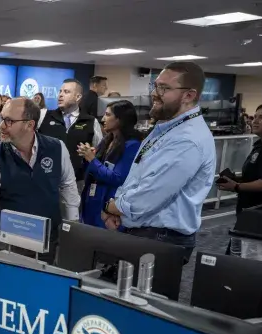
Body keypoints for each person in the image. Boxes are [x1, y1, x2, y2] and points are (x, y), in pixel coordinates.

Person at [101, 61, 216, 263]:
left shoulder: (187, 140)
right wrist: (118, 207)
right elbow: (137, 178)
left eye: (164, 88)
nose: (155, 93)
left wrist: (111, 207)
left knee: (142, 295)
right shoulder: (167, 128)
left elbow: (149, 196)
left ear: (189, 95)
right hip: (145, 232)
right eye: (155, 85)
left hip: (162, 238)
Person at [0, 97, 80, 261]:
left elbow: (69, 191)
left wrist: (72, 233)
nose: (1, 126)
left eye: (9, 121)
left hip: (49, 243)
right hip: (9, 244)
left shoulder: (57, 148)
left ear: (30, 124)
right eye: (1, 119)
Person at [76, 100, 141, 228]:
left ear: (120, 119)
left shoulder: (132, 145)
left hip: (108, 209)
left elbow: (117, 178)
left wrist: (92, 160)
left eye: (108, 114)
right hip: (91, 202)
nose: (103, 119)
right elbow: (92, 170)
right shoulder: (107, 140)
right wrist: (88, 156)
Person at [218, 103, 262, 214]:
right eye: (255, 116)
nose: (255, 121)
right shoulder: (261, 144)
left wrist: (237, 186)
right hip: (249, 207)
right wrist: (238, 178)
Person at [39, 78, 103, 187]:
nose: (60, 95)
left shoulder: (91, 122)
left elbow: (99, 151)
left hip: (76, 183)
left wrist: (91, 153)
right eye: (60, 91)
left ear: (78, 97)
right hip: (45, 180)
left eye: (66, 92)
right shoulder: (44, 116)